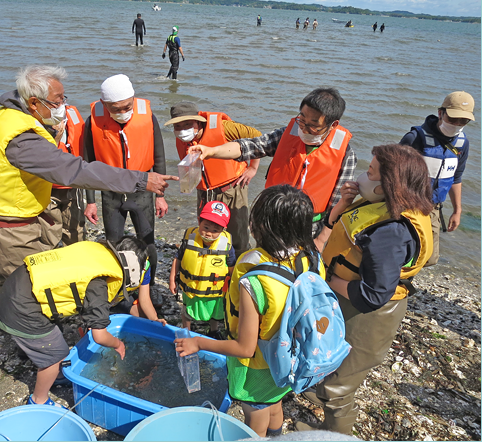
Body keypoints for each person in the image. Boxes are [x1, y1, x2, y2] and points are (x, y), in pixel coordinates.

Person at [0, 65, 175, 328]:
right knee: (27, 287)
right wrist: (140, 179)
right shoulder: (22, 137)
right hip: (9, 225)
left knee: (2, 276)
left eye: (64, 98)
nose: (63, 105)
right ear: (34, 102)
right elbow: (75, 169)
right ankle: (32, 338)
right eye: (58, 100)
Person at [295, 144, 433, 435]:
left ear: (387, 187)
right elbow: (429, 257)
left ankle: (333, 436)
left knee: (339, 388)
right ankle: (320, 394)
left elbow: (373, 295)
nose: (360, 177)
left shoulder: (391, 232)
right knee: (329, 358)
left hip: (369, 314)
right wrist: (342, 206)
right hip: (348, 299)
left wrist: (330, 281)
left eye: (370, 172)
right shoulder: (395, 207)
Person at [175, 185, 325, 437]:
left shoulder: (254, 281)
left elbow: (245, 347)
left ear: (257, 227)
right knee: (274, 404)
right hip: (288, 359)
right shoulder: (311, 259)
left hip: (258, 367)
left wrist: (198, 343)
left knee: (255, 415)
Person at [0, 236, 167, 407]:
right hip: (21, 307)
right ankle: (39, 400)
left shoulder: (100, 255)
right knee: (55, 355)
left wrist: (154, 323)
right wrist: (117, 343)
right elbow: (99, 336)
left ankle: (53, 371)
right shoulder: (99, 283)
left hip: (17, 284)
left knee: (48, 344)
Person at [187, 88, 356, 242]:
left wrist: (321, 239)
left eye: (313, 126)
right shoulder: (287, 134)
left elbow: (338, 203)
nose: (304, 129)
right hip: (270, 218)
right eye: (302, 120)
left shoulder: (345, 154)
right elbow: (250, 146)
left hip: (308, 228)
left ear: (332, 125)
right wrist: (211, 151)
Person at [83, 74, 167, 291]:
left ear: (133, 99)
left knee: (148, 243)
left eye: (126, 107)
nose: (122, 113)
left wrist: (160, 196)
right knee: (113, 245)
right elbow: (88, 164)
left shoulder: (147, 117)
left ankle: (149, 289)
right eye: (115, 109)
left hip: (142, 193)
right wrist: (90, 202)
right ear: (103, 104)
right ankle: (118, 290)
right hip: (111, 196)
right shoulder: (93, 121)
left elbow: (159, 157)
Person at [165, 101, 261, 254]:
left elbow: (257, 137)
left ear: (198, 121)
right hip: (204, 192)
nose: (182, 130)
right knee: (207, 233)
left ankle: (239, 267)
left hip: (232, 188)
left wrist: (253, 168)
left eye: (187, 124)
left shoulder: (224, 127)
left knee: (238, 236)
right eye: (177, 126)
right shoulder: (183, 138)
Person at [399, 91, 474, 266]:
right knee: (403, 249)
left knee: (429, 257)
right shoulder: (415, 138)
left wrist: (457, 210)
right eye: (453, 119)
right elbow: (392, 171)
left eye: (463, 121)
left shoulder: (463, 143)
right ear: (441, 113)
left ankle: (402, 278)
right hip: (407, 204)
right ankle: (392, 284)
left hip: (432, 208)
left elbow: (456, 177)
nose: (457, 124)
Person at [169, 201, 235, 339]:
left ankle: (214, 330)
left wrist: (233, 287)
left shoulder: (226, 245)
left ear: (223, 229)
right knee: (186, 310)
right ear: (199, 221)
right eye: (205, 227)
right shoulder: (190, 238)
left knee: (216, 313)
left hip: (215, 291)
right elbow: (178, 258)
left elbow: (231, 267)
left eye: (215, 230)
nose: (209, 233)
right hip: (191, 288)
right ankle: (186, 329)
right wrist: (172, 279)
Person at [44, 105, 87, 247]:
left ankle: (77, 262)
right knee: (50, 233)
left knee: (75, 231)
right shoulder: (35, 117)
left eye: (62, 98)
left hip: (73, 184)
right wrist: (54, 140)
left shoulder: (72, 111)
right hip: (46, 187)